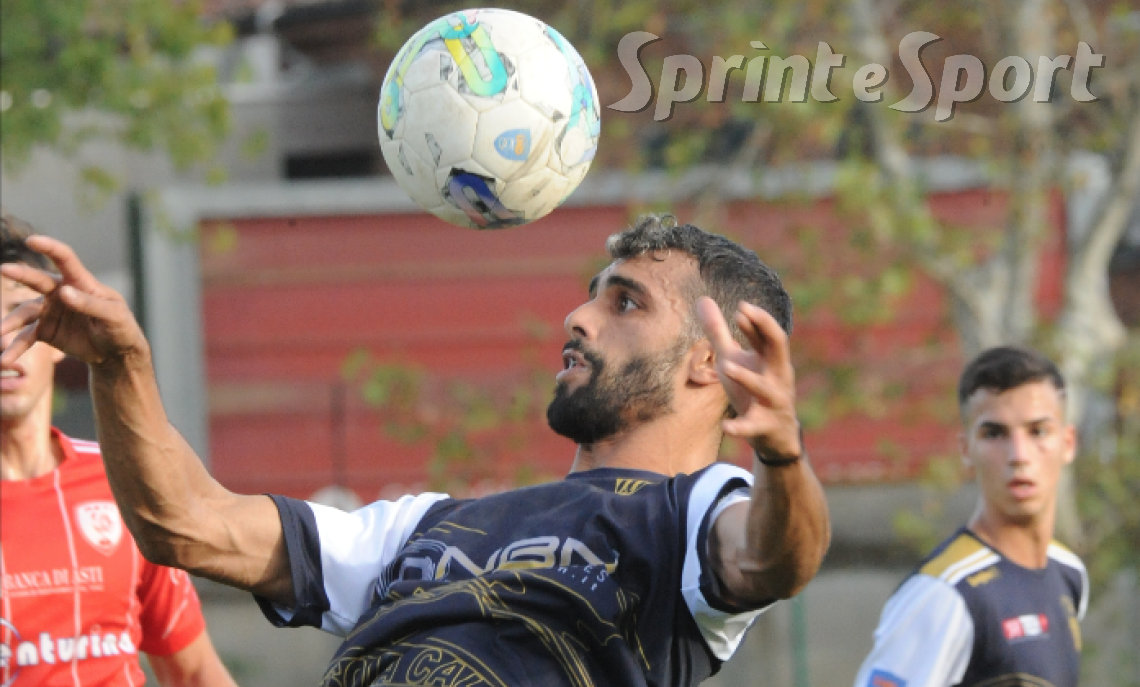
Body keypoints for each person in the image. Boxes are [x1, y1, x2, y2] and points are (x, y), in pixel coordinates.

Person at [1, 213, 831, 687]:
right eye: (589, 296)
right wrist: (120, 364)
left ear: (709, 362)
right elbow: (184, 521)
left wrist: (783, 457)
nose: (578, 318)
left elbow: (772, 558)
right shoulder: (424, 525)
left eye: (625, 302)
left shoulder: (690, 515)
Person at [0, 213, 238, 687]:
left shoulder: (122, 484)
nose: (4, 338)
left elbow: (194, 672)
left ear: (57, 335)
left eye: (19, 315)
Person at [854, 346, 1088, 687]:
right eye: (994, 433)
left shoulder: (1069, 573)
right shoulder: (944, 594)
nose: (1019, 455)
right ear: (966, 449)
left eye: (1038, 431)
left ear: (1068, 443)